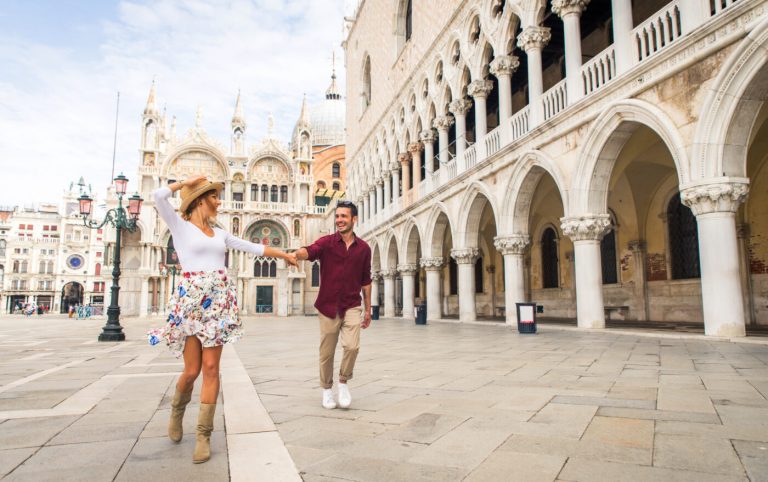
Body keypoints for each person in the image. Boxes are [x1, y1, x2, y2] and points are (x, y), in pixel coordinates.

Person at [147, 175, 297, 464]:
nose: (219, 201)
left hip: (217, 302)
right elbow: (157, 196)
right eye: (214, 196)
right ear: (200, 200)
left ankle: (203, 435)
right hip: (191, 302)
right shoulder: (179, 227)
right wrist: (185, 183)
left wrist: (285, 255)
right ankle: (177, 412)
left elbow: (253, 247)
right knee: (191, 371)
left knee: (212, 368)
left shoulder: (219, 234)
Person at [294, 200, 372, 410]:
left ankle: (343, 382)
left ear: (353, 219)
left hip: (352, 305)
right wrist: (297, 254)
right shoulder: (327, 242)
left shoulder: (364, 249)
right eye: (337, 217)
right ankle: (327, 390)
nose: (339, 220)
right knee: (326, 352)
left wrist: (369, 309)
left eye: (343, 217)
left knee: (352, 346)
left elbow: (366, 280)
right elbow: (310, 250)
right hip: (328, 306)